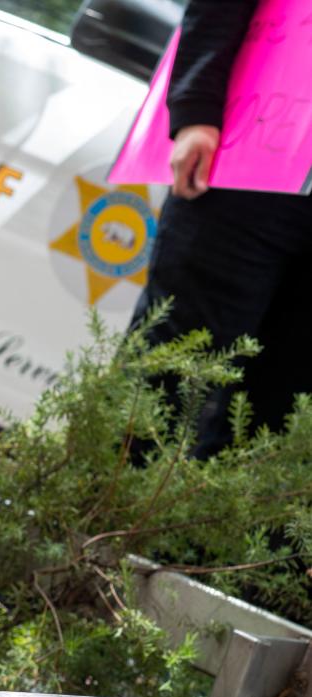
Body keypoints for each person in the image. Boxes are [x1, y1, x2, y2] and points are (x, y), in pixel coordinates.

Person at [129, 0, 312, 457]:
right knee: (168, 376)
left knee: (281, 431)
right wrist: (196, 108)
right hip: (249, 165)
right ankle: (98, 524)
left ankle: (215, 531)